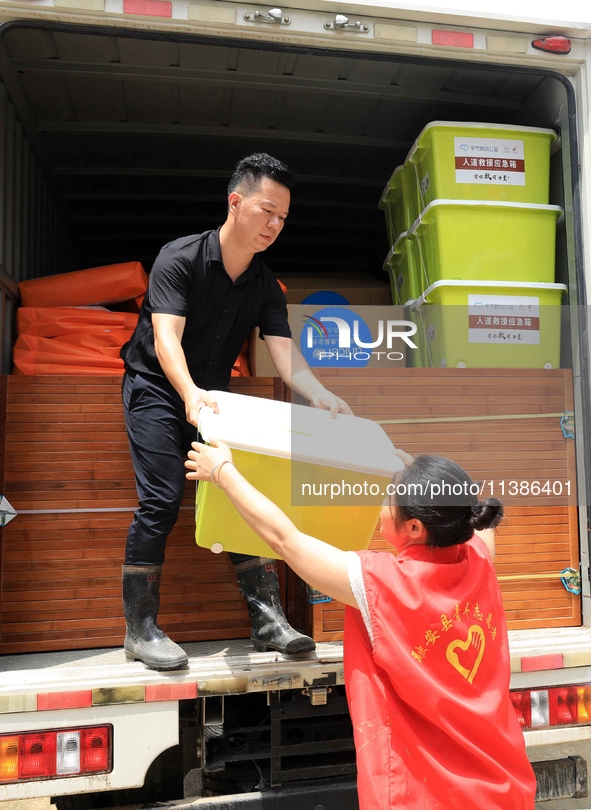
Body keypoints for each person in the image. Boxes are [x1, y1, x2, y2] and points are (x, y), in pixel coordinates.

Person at [185, 444, 537, 810]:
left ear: (414, 527)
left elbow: (284, 539)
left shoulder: (383, 584)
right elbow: (478, 517)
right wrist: (414, 472)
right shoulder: (479, 556)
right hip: (503, 785)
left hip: (428, 795)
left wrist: (223, 471)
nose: (381, 502)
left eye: (389, 497)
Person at [120, 152, 352, 672]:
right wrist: (189, 394)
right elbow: (165, 339)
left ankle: (268, 619)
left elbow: (287, 357)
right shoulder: (178, 259)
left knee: (240, 487)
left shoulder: (266, 286)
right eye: (267, 210)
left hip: (212, 400)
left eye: (282, 218)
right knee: (161, 498)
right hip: (157, 388)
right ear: (236, 202)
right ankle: (140, 629)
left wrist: (321, 395)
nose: (274, 225)